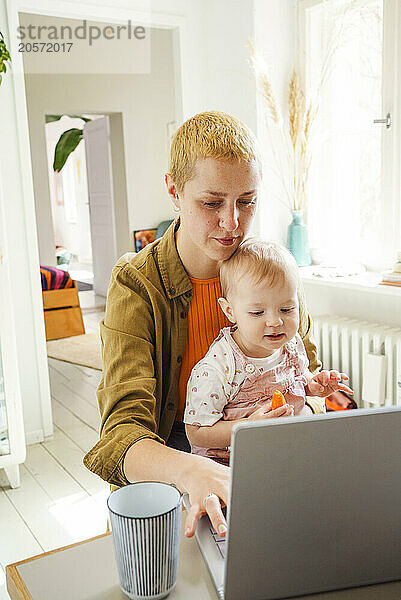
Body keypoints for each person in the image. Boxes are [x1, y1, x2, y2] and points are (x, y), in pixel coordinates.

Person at [83, 111, 324, 540]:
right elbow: (121, 433)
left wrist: (306, 405)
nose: (232, 222)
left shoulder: (267, 268)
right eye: (212, 203)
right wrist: (194, 469)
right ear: (174, 190)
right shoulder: (136, 285)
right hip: (174, 447)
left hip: (265, 440)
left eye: (246, 201)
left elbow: (307, 372)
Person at [184, 239, 353, 464]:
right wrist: (247, 427)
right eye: (257, 312)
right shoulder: (218, 366)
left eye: (286, 309)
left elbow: (298, 381)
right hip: (230, 462)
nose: (275, 322)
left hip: (281, 450)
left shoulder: (291, 346)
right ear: (229, 311)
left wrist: (313, 386)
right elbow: (196, 433)